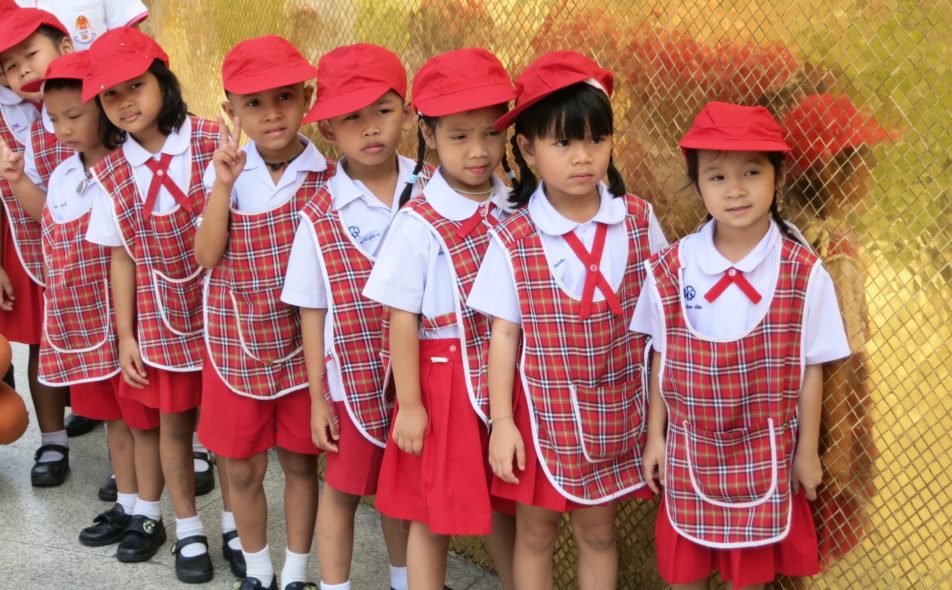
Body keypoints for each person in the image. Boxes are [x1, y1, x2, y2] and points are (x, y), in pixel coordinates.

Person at [632, 101, 851, 590]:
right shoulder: (673, 268)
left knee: (748, 579)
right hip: (689, 452)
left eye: (751, 171)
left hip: (765, 456)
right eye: (716, 177)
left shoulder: (802, 272)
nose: (735, 190)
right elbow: (661, 357)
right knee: (684, 574)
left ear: (776, 175)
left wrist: (807, 453)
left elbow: (810, 366)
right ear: (697, 185)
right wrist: (655, 437)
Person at [469, 51, 668, 590]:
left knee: (599, 531)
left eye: (596, 140)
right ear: (528, 150)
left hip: (617, 409)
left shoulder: (639, 220)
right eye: (563, 142)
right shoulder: (513, 236)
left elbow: (664, 326)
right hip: (540, 412)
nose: (583, 157)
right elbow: (503, 335)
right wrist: (501, 424)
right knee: (535, 533)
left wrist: (660, 425)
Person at [362, 48, 517, 590]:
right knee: (435, 513)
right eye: (459, 136)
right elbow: (400, 316)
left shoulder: (516, 204)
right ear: (427, 134)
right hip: (445, 377)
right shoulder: (418, 221)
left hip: (506, 375)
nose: (479, 151)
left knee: (505, 500)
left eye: (491, 134)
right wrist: (410, 404)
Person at [279, 42, 424, 590]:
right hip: (352, 379)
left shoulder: (432, 190)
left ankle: (406, 580)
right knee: (343, 490)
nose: (371, 129)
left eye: (383, 111)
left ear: (408, 114)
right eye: (352, 117)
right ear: (328, 130)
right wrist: (318, 395)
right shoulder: (319, 212)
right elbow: (312, 309)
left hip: (423, 377)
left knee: (404, 490)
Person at [194, 35, 332, 590]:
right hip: (236, 338)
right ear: (230, 111)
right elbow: (206, 256)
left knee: (301, 462)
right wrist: (223, 187)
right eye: (253, 103)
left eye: (284, 97)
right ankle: (257, 569)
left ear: (308, 97)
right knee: (243, 467)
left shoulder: (328, 175)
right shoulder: (227, 171)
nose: (272, 113)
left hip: (307, 345)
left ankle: (297, 571)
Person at [83, 27, 217, 583]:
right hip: (157, 316)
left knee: (228, 436)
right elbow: (120, 259)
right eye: (110, 95)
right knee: (171, 425)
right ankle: (186, 529)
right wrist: (126, 333)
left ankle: (236, 527)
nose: (125, 102)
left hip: (221, 306)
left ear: (163, 80)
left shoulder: (212, 141)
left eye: (135, 85)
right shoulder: (111, 175)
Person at [20, 49, 161, 548]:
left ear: (104, 106)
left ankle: (151, 510)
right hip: (82, 329)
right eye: (53, 119)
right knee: (112, 420)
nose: (62, 129)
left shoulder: (130, 169)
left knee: (141, 420)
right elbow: (48, 220)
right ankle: (127, 503)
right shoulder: (62, 173)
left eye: (74, 115)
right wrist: (16, 180)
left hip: (127, 326)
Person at [782, 92, 896, 567]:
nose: (869, 171)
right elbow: (842, 353)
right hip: (831, 407)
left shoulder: (784, 233)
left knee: (786, 533)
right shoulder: (836, 247)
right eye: (861, 160)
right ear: (835, 172)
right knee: (813, 526)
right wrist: (842, 442)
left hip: (784, 396)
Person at [0, 7, 74, 486]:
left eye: (32, 53)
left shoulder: (90, 100)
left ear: (64, 47)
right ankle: (52, 440)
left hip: (89, 246)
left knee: (109, 341)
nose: (23, 69)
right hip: (20, 241)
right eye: (9, 64)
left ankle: (126, 445)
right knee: (42, 344)